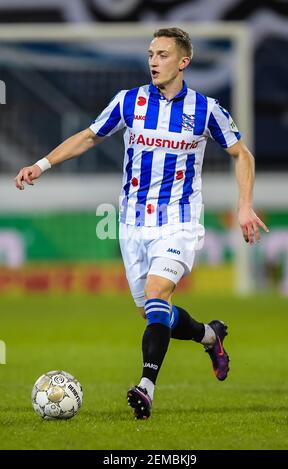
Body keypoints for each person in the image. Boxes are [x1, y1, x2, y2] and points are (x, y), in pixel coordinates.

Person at [15, 27, 269, 420]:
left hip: (178, 222)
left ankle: (146, 387)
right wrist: (41, 165)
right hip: (132, 225)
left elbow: (242, 155)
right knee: (154, 312)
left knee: (156, 293)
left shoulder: (206, 109)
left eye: (163, 54)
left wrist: (245, 205)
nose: (153, 60)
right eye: (151, 53)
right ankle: (209, 335)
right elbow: (89, 136)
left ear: (183, 61)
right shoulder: (128, 101)